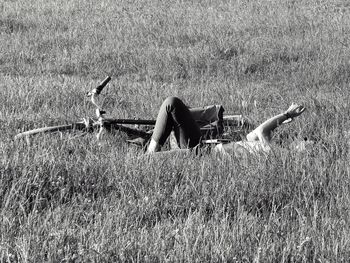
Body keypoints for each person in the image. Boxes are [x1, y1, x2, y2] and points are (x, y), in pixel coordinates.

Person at [146, 96, 306, 155]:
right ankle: (150, 153)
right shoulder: (270, 149)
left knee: (172, 104)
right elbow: (255, 134)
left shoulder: (280, 155)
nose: (303, 140)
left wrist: (286, 115)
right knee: (173, 105)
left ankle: (148, 158)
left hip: (200, 156)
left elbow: (263, 130)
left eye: (307, 143)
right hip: (202, 148)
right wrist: (279, 121)